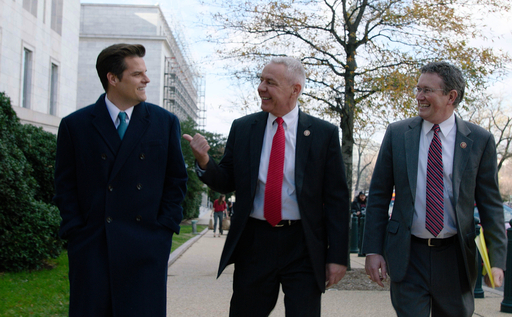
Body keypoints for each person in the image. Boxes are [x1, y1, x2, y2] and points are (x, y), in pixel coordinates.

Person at [183, 57, 349, 316]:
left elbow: (337, 200)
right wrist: (204, 160)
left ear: (295, 89)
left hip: (303, 244)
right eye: (260, 80)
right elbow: (227, 180)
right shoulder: (244, 128)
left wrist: (338, 257)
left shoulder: (323, 133)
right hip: (255, 243)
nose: (261, 88)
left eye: (270, 82)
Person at [362, 61, 507, 317]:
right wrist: (373, 250)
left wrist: (495, 261)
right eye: (418, 89)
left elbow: (491, 205)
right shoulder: (397, 134)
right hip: (408, 255)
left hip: (455, 258)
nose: (419, 97)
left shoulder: (479, 140)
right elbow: (378, 196)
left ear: (451, 96)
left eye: (427, 90)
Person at [53, 43, 188, 317]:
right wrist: (76, 231)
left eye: (145, 73)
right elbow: (64, 185)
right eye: (137, 74)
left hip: (146, 245)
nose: (146, 79)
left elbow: (176, 181)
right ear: (112, 79)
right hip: (93, 247)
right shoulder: (75, 125)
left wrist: (163, 229)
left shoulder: (165, 122)